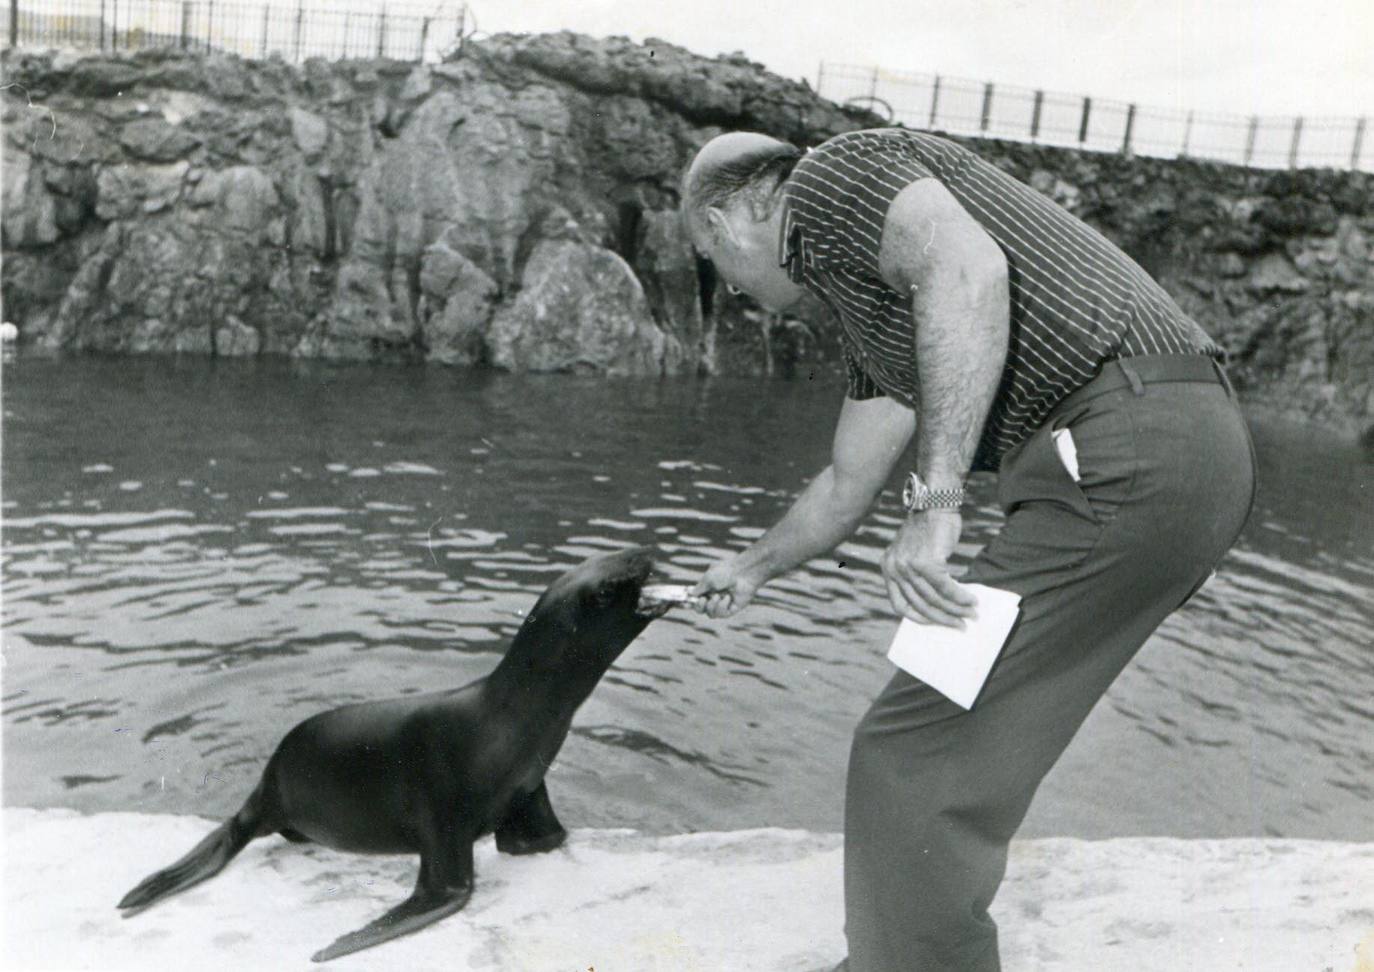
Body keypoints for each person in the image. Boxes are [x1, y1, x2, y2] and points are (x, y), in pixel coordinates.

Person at [680, 128, 1256, 971]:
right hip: (1175, 456)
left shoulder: (832, 177)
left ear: (736, 214)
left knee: (915, 749)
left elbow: (967, 272)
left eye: (711, 255)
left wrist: (938, 501)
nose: (725, 286)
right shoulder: (873, 308)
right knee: (950, 744)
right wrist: (749, 568)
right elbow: (847, 481)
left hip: (1130, 448)